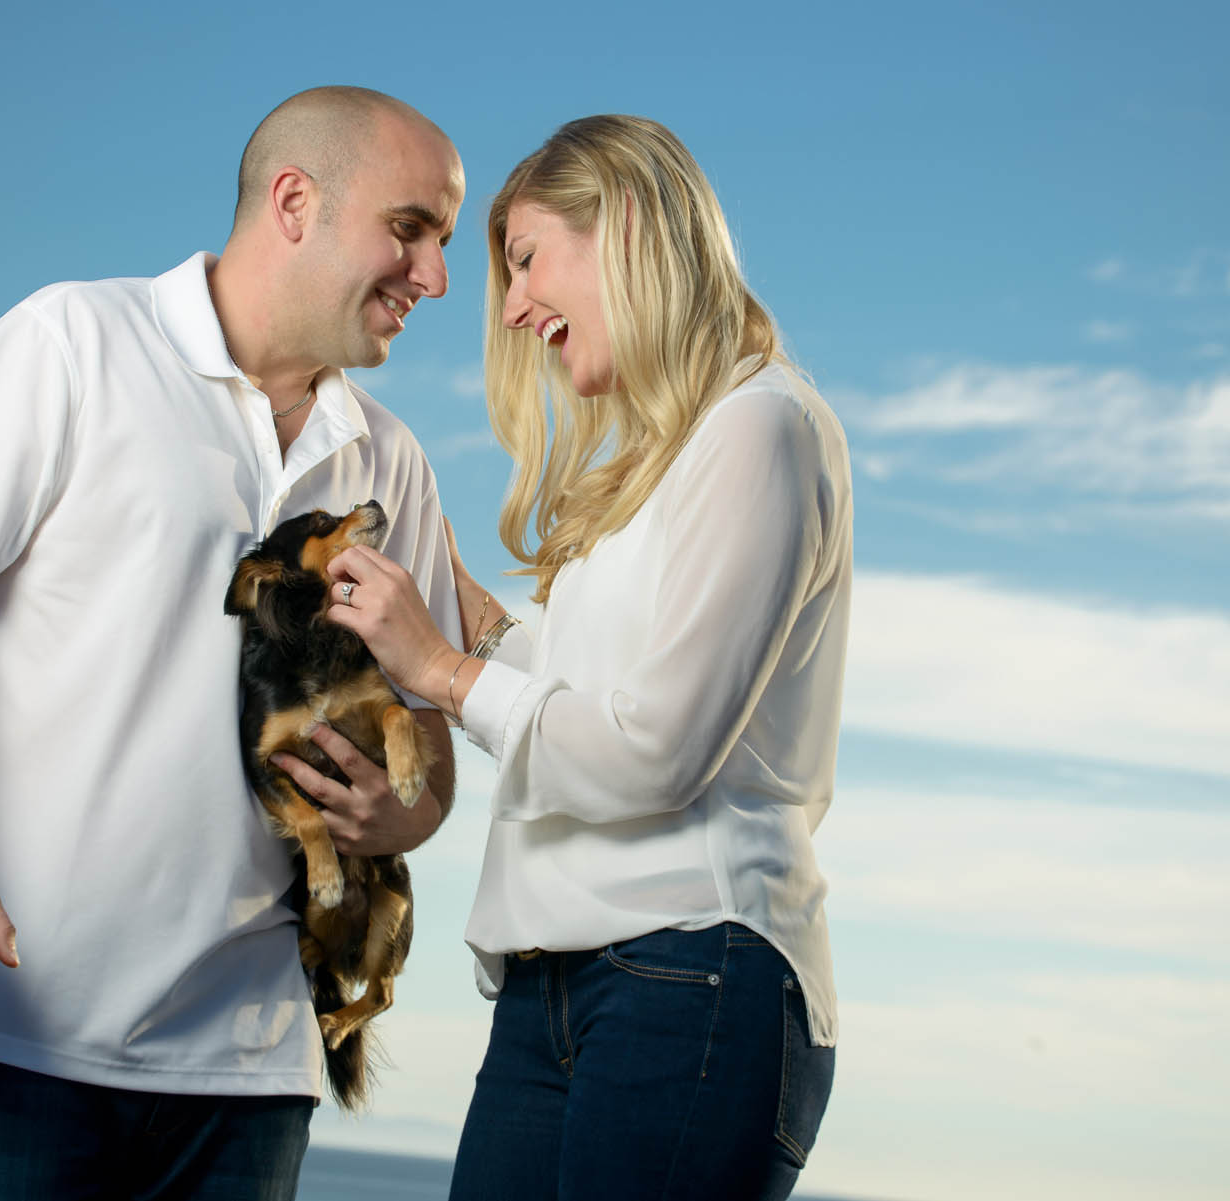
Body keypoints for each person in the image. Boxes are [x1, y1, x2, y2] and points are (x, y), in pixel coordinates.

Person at [0, 86, 465, 1200]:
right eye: (412, 230)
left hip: (247, 1081)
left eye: (445, 244)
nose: (434, 277)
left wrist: (405, 811)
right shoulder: (71, 342)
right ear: (295, 202)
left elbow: (429, 751)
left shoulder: (394, 463)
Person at [321, 115, 852, 1201]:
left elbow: (653, 753)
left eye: (525, 260)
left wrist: (444, 671)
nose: (513, 307)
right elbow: (575, 680)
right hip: (556, 981)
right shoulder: (667, 463)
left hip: (689, 973)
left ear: (628, 228)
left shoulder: (762, 430)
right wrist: (446, 596)